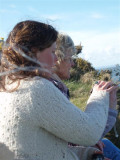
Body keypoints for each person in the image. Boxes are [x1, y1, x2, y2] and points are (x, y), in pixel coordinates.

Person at [0, 20, 117, 160]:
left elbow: (41, 147)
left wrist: (85, 153)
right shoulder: (35, 88)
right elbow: (90, 133)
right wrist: (99, 95)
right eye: (53, 52)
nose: (56, 60)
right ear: (34, 52)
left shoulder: (9, 86)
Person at [54, 32, 120, 160]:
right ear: (55, 59)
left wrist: (110, 105)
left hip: (64, 150)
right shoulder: (52, 90)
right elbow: (88, 133)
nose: (73, 64)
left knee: (106, 144)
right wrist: (98, 98)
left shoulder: (58, 87)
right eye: (69, 59)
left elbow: (84, 135)